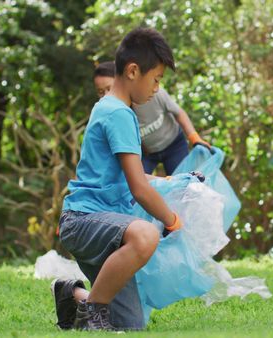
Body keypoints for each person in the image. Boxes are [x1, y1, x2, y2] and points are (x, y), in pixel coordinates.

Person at [51, 27, 181, 331]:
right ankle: (94, 311)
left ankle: (73, 295)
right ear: (134, 71)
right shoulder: (119, 114)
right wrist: (172, 221)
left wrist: (173, 182)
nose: (157, 88)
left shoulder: (109, 107)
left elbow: (130, 177)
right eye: (156, 79)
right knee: (147, 234)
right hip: (85, 221)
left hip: (102, 226)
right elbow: (139, 189)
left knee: (131, 324)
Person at [93, 61, 210, 175]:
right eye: (100, 92)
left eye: (109, 88)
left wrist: (194, 137)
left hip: (174, 145)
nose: (106, 95)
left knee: (182, 184)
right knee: (133, 185)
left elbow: (178, 113)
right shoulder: (112, 115)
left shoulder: (151, 93)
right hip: (147, 154)